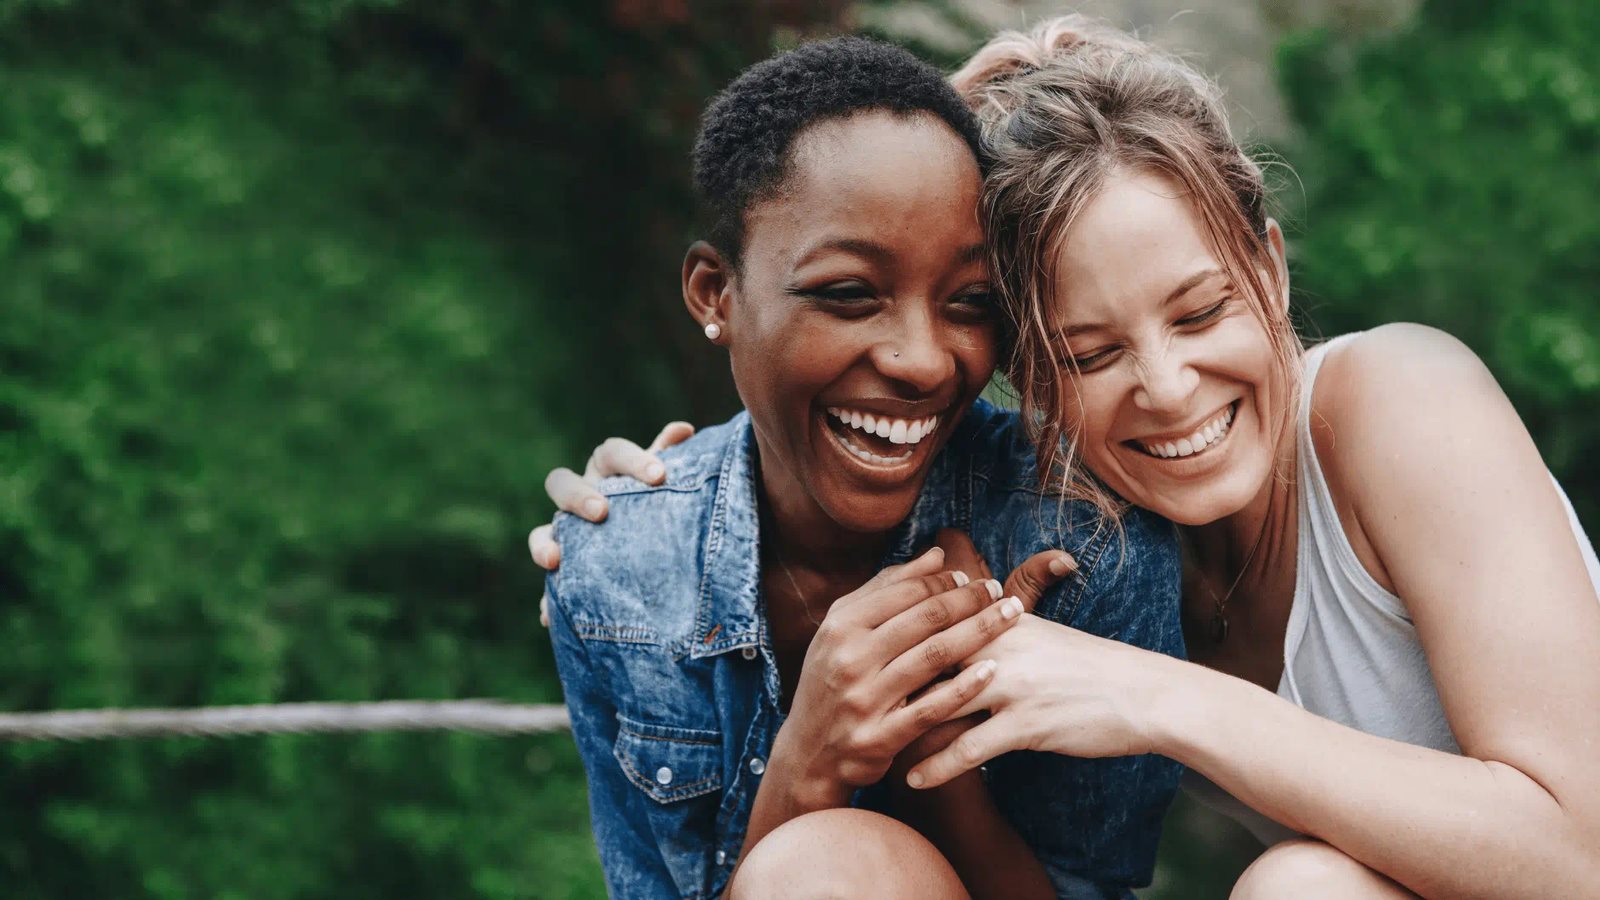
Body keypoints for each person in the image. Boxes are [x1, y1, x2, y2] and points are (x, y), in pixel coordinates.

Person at [536, 16, 1600, 900]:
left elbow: (1579, 854)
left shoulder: (1397, 400)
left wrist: (1163, 698)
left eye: (1201, 311)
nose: (1170, 387)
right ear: (1026, 379)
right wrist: (669, 509)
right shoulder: (1095, 540)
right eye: (1088, 353)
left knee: (1304, 891)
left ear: (1268, 271)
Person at [539, 36, 1185, 900]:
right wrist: (809, 762)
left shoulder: (1082, 541)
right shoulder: (616, 572)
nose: (923, 361)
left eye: (970, 304)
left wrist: (940, 752)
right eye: (849, 293)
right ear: (714, 294)